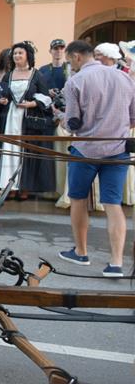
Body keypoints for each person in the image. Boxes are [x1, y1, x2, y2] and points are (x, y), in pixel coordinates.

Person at [55, 40, 135, 278]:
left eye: (70, 60)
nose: (71, 64)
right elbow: (133, 118)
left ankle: (81, 252)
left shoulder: (76, 81)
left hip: (85, 150)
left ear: (77, 57)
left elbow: (71, 124)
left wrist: (58, 114)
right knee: (113, 204)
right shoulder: (124, 78)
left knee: (78, 199)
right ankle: (116, 263)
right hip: (118, 149)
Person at [0, 41, 55, 200]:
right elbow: (2, 94)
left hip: (27, 118)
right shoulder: (8, 75)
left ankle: (24, 186)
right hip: (10, 118)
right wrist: (1, 100)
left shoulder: (36, 75)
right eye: (15, 53)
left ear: (27, 55)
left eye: (20, 53)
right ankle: (9, 185)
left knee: (24, 150)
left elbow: (47, 98)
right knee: (10, 149)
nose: (17, 56)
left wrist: (33, 103)